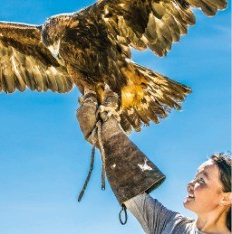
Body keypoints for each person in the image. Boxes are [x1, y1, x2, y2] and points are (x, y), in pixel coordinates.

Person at [76, 91, 232, 234]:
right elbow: (131, 188)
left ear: (226, 198)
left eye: (201, 180)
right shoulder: (169, 225)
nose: (190, 184)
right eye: (195, 177)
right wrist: (106, 137)